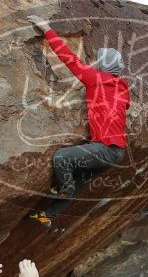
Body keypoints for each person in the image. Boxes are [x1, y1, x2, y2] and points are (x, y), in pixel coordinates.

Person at [26, 15, 129, 228]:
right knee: (78, 179)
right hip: (116, 154)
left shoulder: (96, 79)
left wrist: (47, 29)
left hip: (104, 149)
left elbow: (69, 59)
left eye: (100, 61)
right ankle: (48, 215)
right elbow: (124, 105)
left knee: (62, 159)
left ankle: (65, 189)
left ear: (104, 66)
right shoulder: (122, 87)